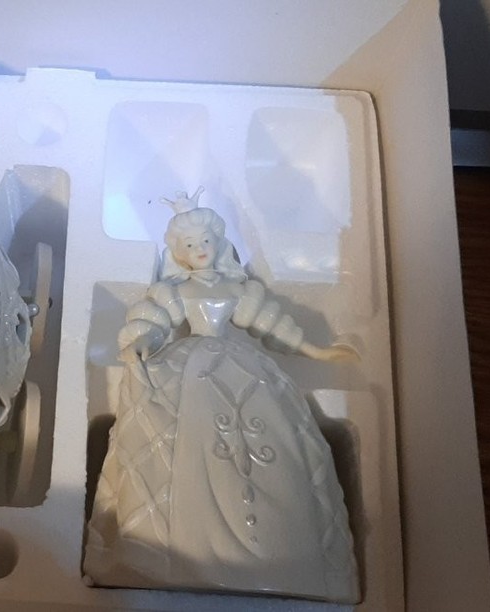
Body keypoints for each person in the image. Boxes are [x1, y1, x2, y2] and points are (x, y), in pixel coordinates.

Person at [84, 191, 360, 603]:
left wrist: (316, 351)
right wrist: (140, 341)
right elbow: (152, 320)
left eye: (206, 241)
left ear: (218, 242)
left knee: (272, 443)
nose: (200, 249)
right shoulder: (175, 291)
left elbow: (270, 323)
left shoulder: (238, 288)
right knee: (179, 442)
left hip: (246, 369)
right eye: (190, 244)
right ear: (179, 253)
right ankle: (176, 550)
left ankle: (289, 558)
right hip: (187, 370)